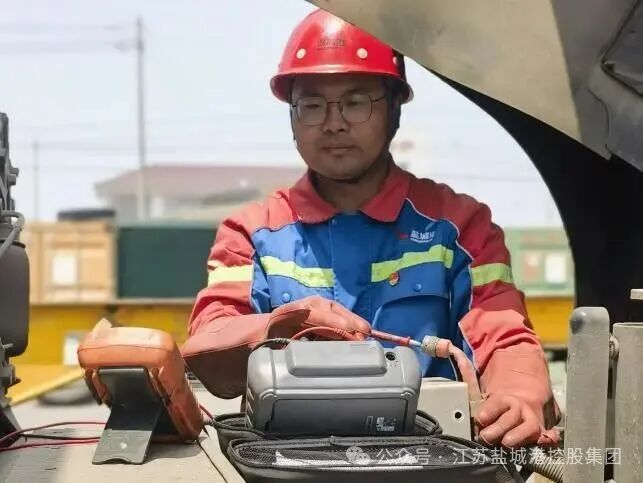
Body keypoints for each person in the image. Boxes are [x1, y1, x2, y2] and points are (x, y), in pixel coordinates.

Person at [182, 8, 559, 449]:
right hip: (288, 462)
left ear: (395, 108)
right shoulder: (251, 233)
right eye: (312, 105)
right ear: (292, 117)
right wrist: (282, 326)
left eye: (356, 102)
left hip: (428, 460)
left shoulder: (458, 226)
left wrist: (519, 393)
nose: (334, 122)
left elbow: (503, 334)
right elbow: (208, 347)